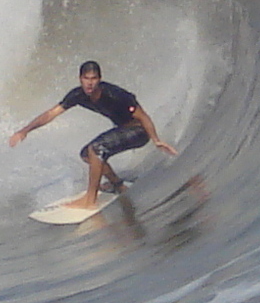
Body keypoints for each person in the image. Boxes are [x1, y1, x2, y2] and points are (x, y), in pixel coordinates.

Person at [9, 60, 178, 209]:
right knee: (87, 154)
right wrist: (25, 130)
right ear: (80, 79)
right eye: (86, 79)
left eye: (94, 79)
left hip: (138, 131)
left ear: (99, 79)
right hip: (122, 130)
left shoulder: (115, 94)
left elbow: (143, 116)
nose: (90, 83)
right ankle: (117, 185)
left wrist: (156, 140)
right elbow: (51, 114)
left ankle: (90, 200)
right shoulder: (78, 95)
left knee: (96, 149)